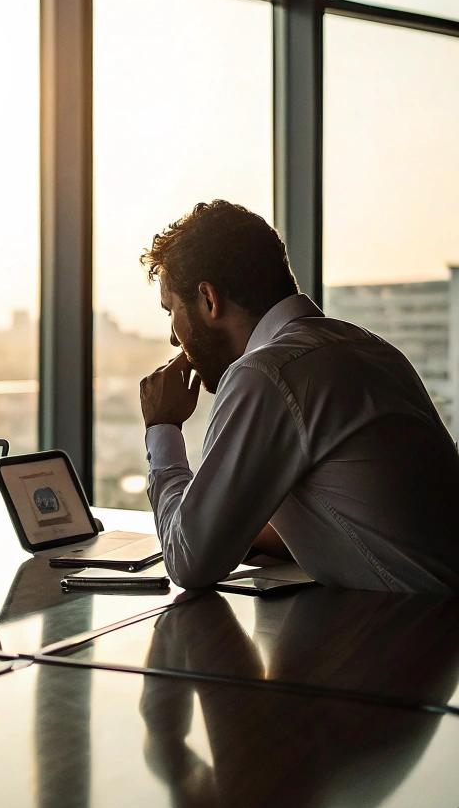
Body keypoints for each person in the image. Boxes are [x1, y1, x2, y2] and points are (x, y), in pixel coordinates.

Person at [138, 200, 459, 593]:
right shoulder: (368, 347)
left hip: (420, 637)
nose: (174, 336)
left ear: (208, 299)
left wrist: (162, 426)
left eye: (171, 310)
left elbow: (188, 561)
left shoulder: (266, 373)